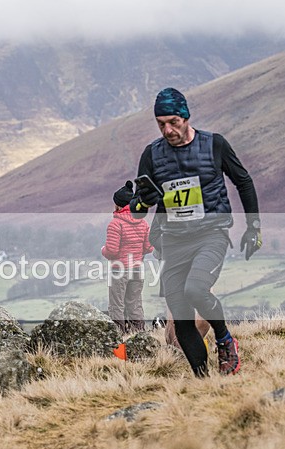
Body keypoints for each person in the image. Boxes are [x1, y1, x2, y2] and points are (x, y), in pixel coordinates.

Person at [130, 87, 261, 377]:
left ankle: (225, 339)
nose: (168, 130)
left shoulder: (214, 145)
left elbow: (244, 181)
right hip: (174, 240)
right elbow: (137, 210)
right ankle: (202, 380)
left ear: (186, 117)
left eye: (173, 122)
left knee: (196, 290)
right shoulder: (151, 154)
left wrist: (253, 226)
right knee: (181, 315)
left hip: (210, 234)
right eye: (161, 124)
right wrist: (144, 201)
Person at [101, 181, 154, 334]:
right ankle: (139, 336)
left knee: (116, 305)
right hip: (137, 269)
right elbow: (149, 248)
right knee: (135, 304)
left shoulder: (115, 224)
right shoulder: (143, 223)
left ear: (118, 205)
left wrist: (103, 250)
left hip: (119, 270)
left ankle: (119, 337)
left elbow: (112, 251)